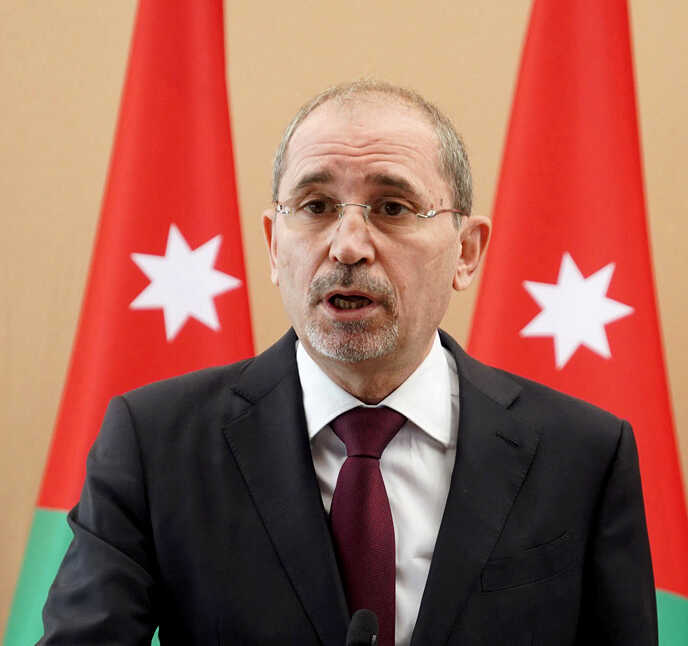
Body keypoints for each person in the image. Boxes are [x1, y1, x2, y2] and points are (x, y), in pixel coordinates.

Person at [40, 80, 657, 645]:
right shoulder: (155, 444)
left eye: (392, 208)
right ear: (274, 246)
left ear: (466, 252)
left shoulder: (583, 456)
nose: (348, 246)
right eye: (316, 206)